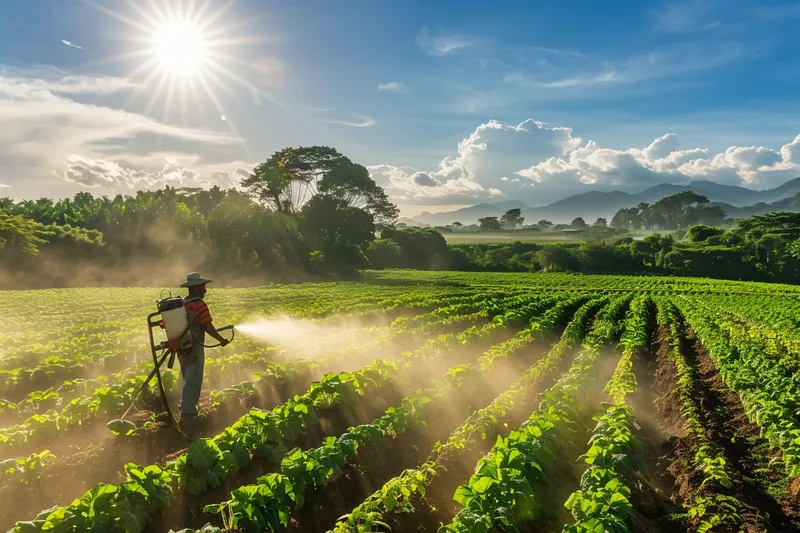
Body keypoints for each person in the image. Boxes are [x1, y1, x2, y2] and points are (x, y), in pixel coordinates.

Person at [178, 272, 229, 424]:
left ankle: (186, 407)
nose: (205, 291)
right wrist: (221, 339)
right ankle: (188, 415)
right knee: (193, 379)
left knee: (187, 377)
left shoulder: (183, 303)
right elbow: (207, 325)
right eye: (203, 287)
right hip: (194, 346)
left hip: (181, 347)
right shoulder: (199, 304)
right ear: (195, 289)